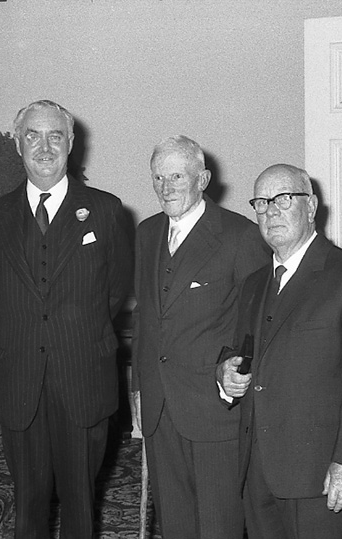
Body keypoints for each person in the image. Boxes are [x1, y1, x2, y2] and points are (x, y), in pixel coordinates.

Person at [0, 100, 133, 539]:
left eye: (55, 136)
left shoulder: (105, 209)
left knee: (81, 501)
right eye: (33, 136)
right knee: (27, 504)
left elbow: (115, 289)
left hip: (82, 375)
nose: (44, 147)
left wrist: (78, 329)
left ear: (70, 143)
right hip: (18, 377)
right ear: (19, 144)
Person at [217, 164, 342, 539]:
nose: (271, 211)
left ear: (311, 206)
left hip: (324, 478)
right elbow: (243, 352)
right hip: (259, 469)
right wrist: (225, 374)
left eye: (283, 199)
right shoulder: (253, 284)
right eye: (261, 203)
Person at [131, 135, 269, 539]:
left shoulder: (239, 235)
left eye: (177, 176)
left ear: (203, 179)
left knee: (217, 527)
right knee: (175, 526)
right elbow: (145, 319)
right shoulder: (147, 232)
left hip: (214, 409)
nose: (166, 187)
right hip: (158, 407)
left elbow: (259, 320)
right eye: (159, 177)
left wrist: (234, 373)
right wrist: (138, 390)